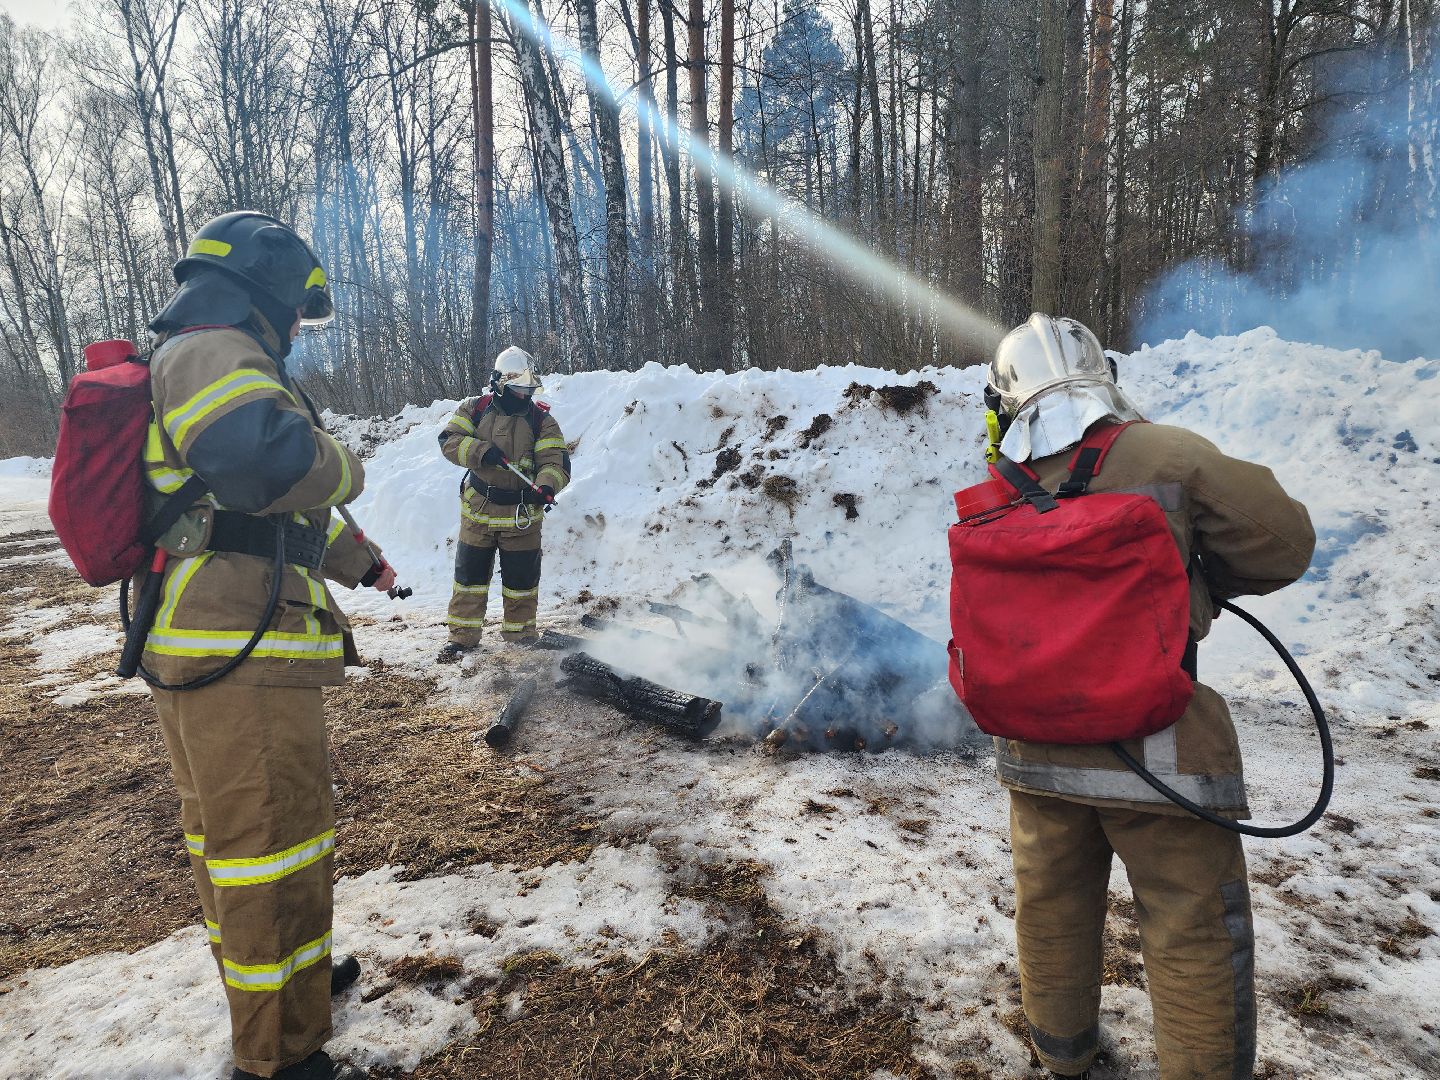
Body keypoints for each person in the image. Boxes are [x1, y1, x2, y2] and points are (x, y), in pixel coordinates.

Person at [982, 313, 1315, 1079]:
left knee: (1051, 907)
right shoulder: (1168, 453)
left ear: (1005, 399)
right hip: (1160, 749)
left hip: (1036, 751)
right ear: (1104, 376)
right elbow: (1285, 542)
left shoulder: (1004, 480)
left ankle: (1061, 1055)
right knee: (1190, 927)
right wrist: (1194, 584)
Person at [141, 211, 390, 1080]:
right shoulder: (211, 352)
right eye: (297, 314)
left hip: (212, 643)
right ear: (268, 292)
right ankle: (279, 1055)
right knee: (269, 846)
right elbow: (269, 464)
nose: (295, 332)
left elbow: (255, 519)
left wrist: (362, 567)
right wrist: (347, 463)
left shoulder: (192, 354)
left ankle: (293, 989)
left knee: (246, 843)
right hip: (235, 653)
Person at [436, 345, 570, 660]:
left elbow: (556, 462)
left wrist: (547, 485)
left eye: (528, 390)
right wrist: (482, 451)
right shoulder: (475, 409)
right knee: (469, 578)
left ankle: (521, 638)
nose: (524, 396)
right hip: (478, 512)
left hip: (522, 516)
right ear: (501, 383)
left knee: (521, 582)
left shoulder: (541, 421)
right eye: (519, 390)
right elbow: (449, 441)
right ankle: (462, 639)